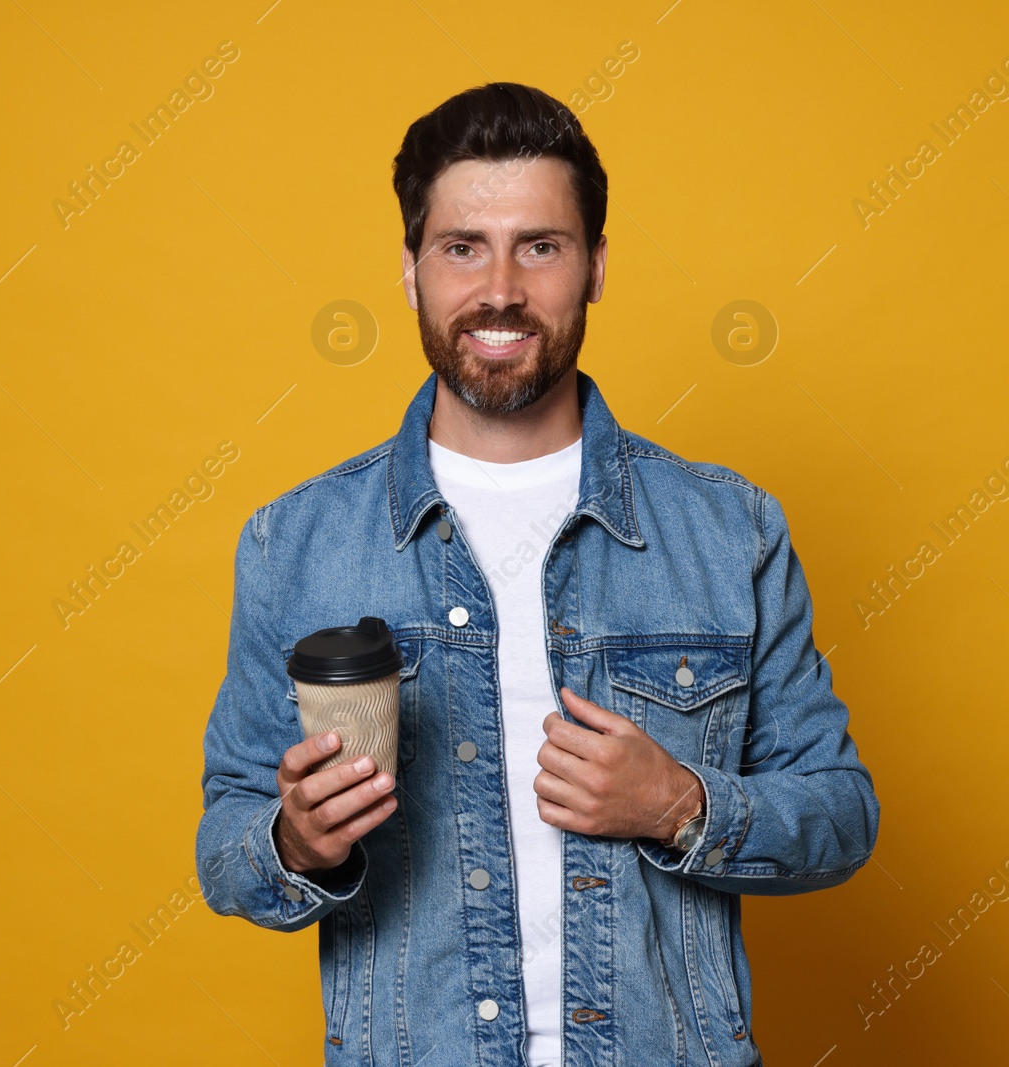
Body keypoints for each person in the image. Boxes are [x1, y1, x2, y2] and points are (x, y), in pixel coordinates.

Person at [196, 81, 879, 1067]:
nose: (501, 289)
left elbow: (843, 814)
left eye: (541, 246)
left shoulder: (730, 530)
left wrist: (679, 803)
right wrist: (297, 842)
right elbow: (226, 846)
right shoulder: (293, 543)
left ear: (594, 265)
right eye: (462, 246)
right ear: (410, 268)